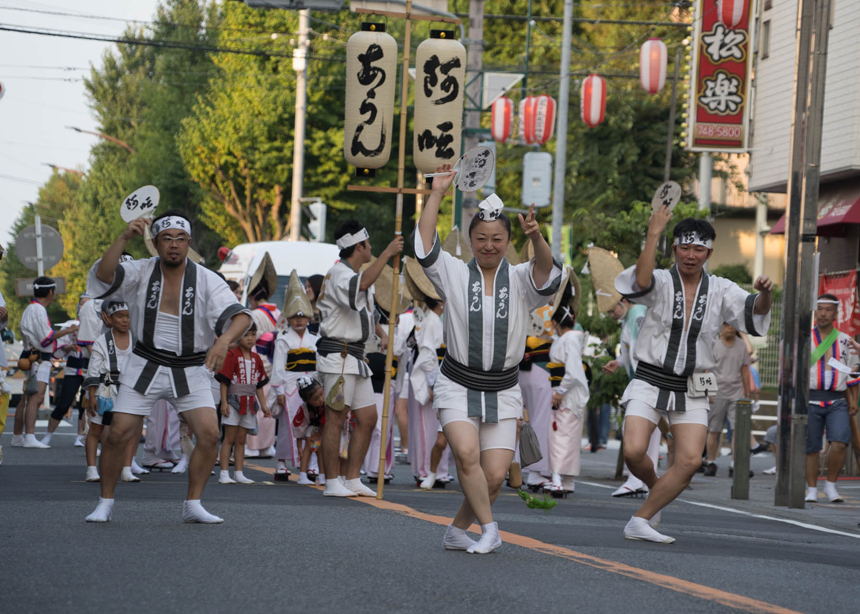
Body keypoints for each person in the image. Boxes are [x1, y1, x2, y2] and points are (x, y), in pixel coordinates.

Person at [416, 163, 561, 554]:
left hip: (504, 388)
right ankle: (491, 529)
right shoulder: (453, 273)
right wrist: (438, 193)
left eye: (497, 238)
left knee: (495, 476)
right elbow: (425, 243)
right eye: (481, 238)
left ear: (509, 241)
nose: (489, 245)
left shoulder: (521, 278)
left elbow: (547, 272)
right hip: (457, 382)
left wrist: (537, 237)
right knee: (465, 453)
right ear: (470, 238)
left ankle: (456, 530)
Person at [614, 211, 773, 543]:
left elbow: (754, 310)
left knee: (689, 461)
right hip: (650, 377)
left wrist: (765, 293)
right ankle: (658, 490)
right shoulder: (659, 279)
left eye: (698, 250)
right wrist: (653, 234)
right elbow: (638, 284)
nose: (690, 255)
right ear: (674, 249)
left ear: (709, 254)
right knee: (632, 450)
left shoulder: (721, 289)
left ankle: (640, 519)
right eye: (684, 248)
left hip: (692, 383)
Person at [84, 209, 251, 523]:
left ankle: (193, 504)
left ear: (189, 243)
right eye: (167, 239)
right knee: (118, 433)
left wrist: (223, 341)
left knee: (210, 433)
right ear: (156, 243)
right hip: (145, 362)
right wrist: (124, 237)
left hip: (191, 367)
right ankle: (105, 502)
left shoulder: (206, 278)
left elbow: (241, 316)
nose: (174, 245)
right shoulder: (141, 271)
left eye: (181, 239)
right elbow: (105, 276)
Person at [316, 219, 404, 497]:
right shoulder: (340, 274)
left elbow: (366, 312)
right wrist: (389, 254)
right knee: (336, 418)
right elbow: (361, 286)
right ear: (359, 246)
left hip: (355, 357)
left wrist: (381, 333)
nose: (372, 249)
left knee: (367, 418)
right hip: (338, 356)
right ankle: (332, 481)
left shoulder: (357, 274)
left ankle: (352, 478)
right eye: (368, 245)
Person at [11, 276, 79, 449]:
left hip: (32, 355)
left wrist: (64, 346)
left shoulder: (32, 308)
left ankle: (18, 436)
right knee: (36, 397)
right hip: (38, 358)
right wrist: (69, 331)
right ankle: (30, 437)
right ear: (51, 292)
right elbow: (46, 338)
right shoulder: (38, 310)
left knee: (26, 399)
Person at [805, 294, 860, 503]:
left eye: (828, 309)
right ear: (815, 312)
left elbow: (853, 372)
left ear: (836, 313)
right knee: (811, 447)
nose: (823, 313)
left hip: (837, 400)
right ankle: (811, 489)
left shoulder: (845, 340)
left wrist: (854, 399)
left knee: (840, 443)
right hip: (810, 398)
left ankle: (830, 485)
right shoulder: (805, 339)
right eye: (820, 309)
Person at [83, 301, 138, 483]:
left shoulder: (137, 339)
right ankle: (91, 469)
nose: (125, 321)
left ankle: (127, 468)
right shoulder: (102, 341)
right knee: (96, 429)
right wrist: (91, 396)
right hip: (105, 388)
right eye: (119, 316)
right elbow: (93, 370)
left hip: (129, 390)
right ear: (110, 318)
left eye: (128, 316)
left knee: (128, 431)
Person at [270, 271, 318, 479]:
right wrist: (279, 389)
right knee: (287, 425)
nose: (299, 320)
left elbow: (318, 366)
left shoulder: (314, 340)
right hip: (289, 385)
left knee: (311, 425)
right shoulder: (283, 340)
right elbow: (278, 367)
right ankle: (282, 462)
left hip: (311, 387)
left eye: (302, 316)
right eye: (294, 316)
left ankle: (312, 463)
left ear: (309, 317)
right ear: (288, 317)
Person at [545, 270, 588, 495]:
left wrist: (560, 390)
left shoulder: (569, 339)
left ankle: (558, 479)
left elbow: (571, 370)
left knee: (559, 435)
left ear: (555, 322)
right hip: (565, 389)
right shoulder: (569, 338)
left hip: (564, 391)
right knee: (567, 436)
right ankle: (566, 480)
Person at [217, 324, 271, 484]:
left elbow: (259, 386)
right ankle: (224, 473)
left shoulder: (257, 359)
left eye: (253, 335)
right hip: (233, 401)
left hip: (249, 403)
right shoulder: (232, 355)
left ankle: (239, 473)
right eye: (246, 335)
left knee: (241, 439)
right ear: (238, 336)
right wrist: (224, 402)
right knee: (229, 438)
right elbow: (224, 381)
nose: (250, 338)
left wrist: (264, 406)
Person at [704, 323, 752, 477]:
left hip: (736, 392)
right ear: (721, 326)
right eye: (726, 325)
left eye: (733, 325)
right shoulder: (714, 345)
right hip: (717, 392)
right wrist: (707, 392)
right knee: (713, 429)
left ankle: (734, 464)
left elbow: (745, 368)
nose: (730, 328)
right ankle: (711, 461)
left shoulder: (742, 346)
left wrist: (747, 390)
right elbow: (706, 370)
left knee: (737, 429)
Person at [411, 296, 447, 488]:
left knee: (441, 428)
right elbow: (426, 357)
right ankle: (425, 471)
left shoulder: (436, 321)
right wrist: (432, 384)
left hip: (442, 379)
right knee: (427, 429)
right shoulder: (430, 321)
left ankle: (439, 471)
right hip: (431, 380)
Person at [293, 375, 326, 483]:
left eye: (321, 394)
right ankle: (302, 475)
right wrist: (299, 447)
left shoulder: (327, 401)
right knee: (307, 449)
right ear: (306, 400)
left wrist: (319, 434)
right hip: (311, 429)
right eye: (316, 399)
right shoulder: (304, 407)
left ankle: (322, 476)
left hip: (322, 429)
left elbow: (326, 418)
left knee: (320, 452)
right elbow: (298, 425)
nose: (321, 400)